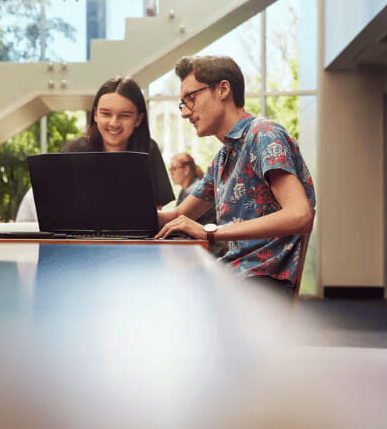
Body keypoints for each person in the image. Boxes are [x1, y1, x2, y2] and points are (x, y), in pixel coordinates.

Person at [154, 55, 316, 296]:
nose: (185, 113)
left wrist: (210, 232)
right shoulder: (223, 157)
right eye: (183, 103)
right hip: (236, 273)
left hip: (262, 281)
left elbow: (300, 215)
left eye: (191, 98)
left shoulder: (264, 135)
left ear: (223, 89)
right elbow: (178, 214)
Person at [62, 76, 175, 208]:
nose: (114, 123)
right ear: (95, 115)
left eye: (125, 116)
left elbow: (155, 211)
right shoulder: (75, 150)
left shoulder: (148, 149)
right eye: (106, 114)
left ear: (138, 119)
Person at [168, 152, 215, 225]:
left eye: (174, 168)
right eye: (170, 169)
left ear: (186, 169)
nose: (171, 173)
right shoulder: (185, 190)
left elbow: (177, 219)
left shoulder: (193, 190)